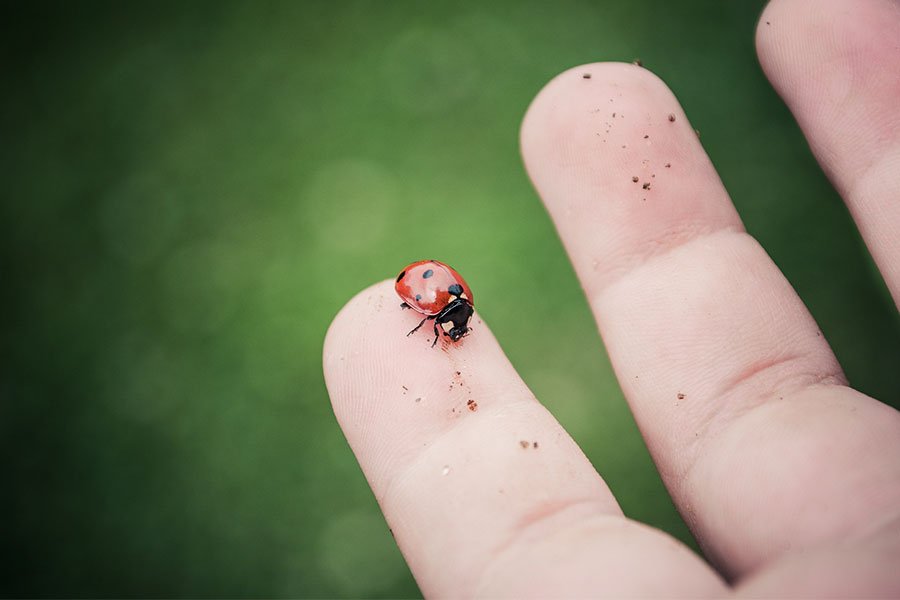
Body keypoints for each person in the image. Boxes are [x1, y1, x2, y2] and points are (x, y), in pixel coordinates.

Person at [323, 0, 900, 596]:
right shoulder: (444, 298)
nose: (454, 326)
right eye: (452, 322)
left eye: (452, 322)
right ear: (450, 310)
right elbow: (429, 296)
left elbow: (433, 300)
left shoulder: (443, 300)